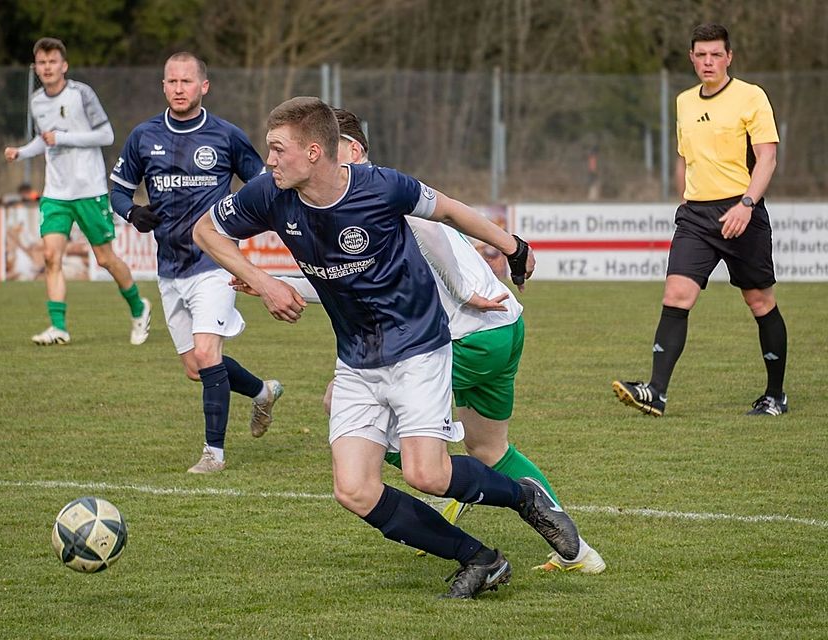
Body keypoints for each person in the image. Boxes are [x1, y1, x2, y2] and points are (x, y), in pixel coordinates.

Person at [194, 96, 582, 600]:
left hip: (418, 346)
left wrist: (512, 245)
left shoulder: (381, 187)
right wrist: (262, 281)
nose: (267, 161)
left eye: (277, 150)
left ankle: (523, 498)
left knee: (427, 473)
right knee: (354, 489)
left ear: (314, 151)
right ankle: (479, 559)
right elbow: (206, 230)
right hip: (356, 357)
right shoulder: (270, 193)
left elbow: (449, 210)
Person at [109, 52, 283, 474]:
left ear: (204, 86)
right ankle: (261, 391)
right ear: (164, 86)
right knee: (197, 367)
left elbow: (264, 185)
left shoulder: (225, 135)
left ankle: (213, 455)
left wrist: (246, 222)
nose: (179, 88)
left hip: (217, 262)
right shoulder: (143, 135)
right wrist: (132, 212)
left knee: (207, 353)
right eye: (171, 82)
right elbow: (117, 190)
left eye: (187, 81)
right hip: (170, 268)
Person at [613, 23, 787, 417]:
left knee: (759, 301)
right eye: (701, 55)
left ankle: (775, 395)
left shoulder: (751, 97)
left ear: (729, 57)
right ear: (691, 57)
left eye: (716, 55)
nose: (708, 62)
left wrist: (746, 204)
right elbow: (685, 158)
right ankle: (655, 392)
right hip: (696, 216)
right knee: (676, 295)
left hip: (742, 211)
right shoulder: (684, 102)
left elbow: (768, 158)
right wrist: (685, 202)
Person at [4, 37, 150, 347]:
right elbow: (46, 139)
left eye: (52, 62)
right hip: (56, 192)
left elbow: (106, 135)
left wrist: (65, 137)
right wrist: (22, 151)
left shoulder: (81, 94)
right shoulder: (36, 101)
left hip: (89, 189)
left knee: (105, 259)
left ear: (64, 65)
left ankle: (139, 308)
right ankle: (58, 327)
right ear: (37, 67)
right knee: (50, 256)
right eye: (42, 63)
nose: (47, 68)